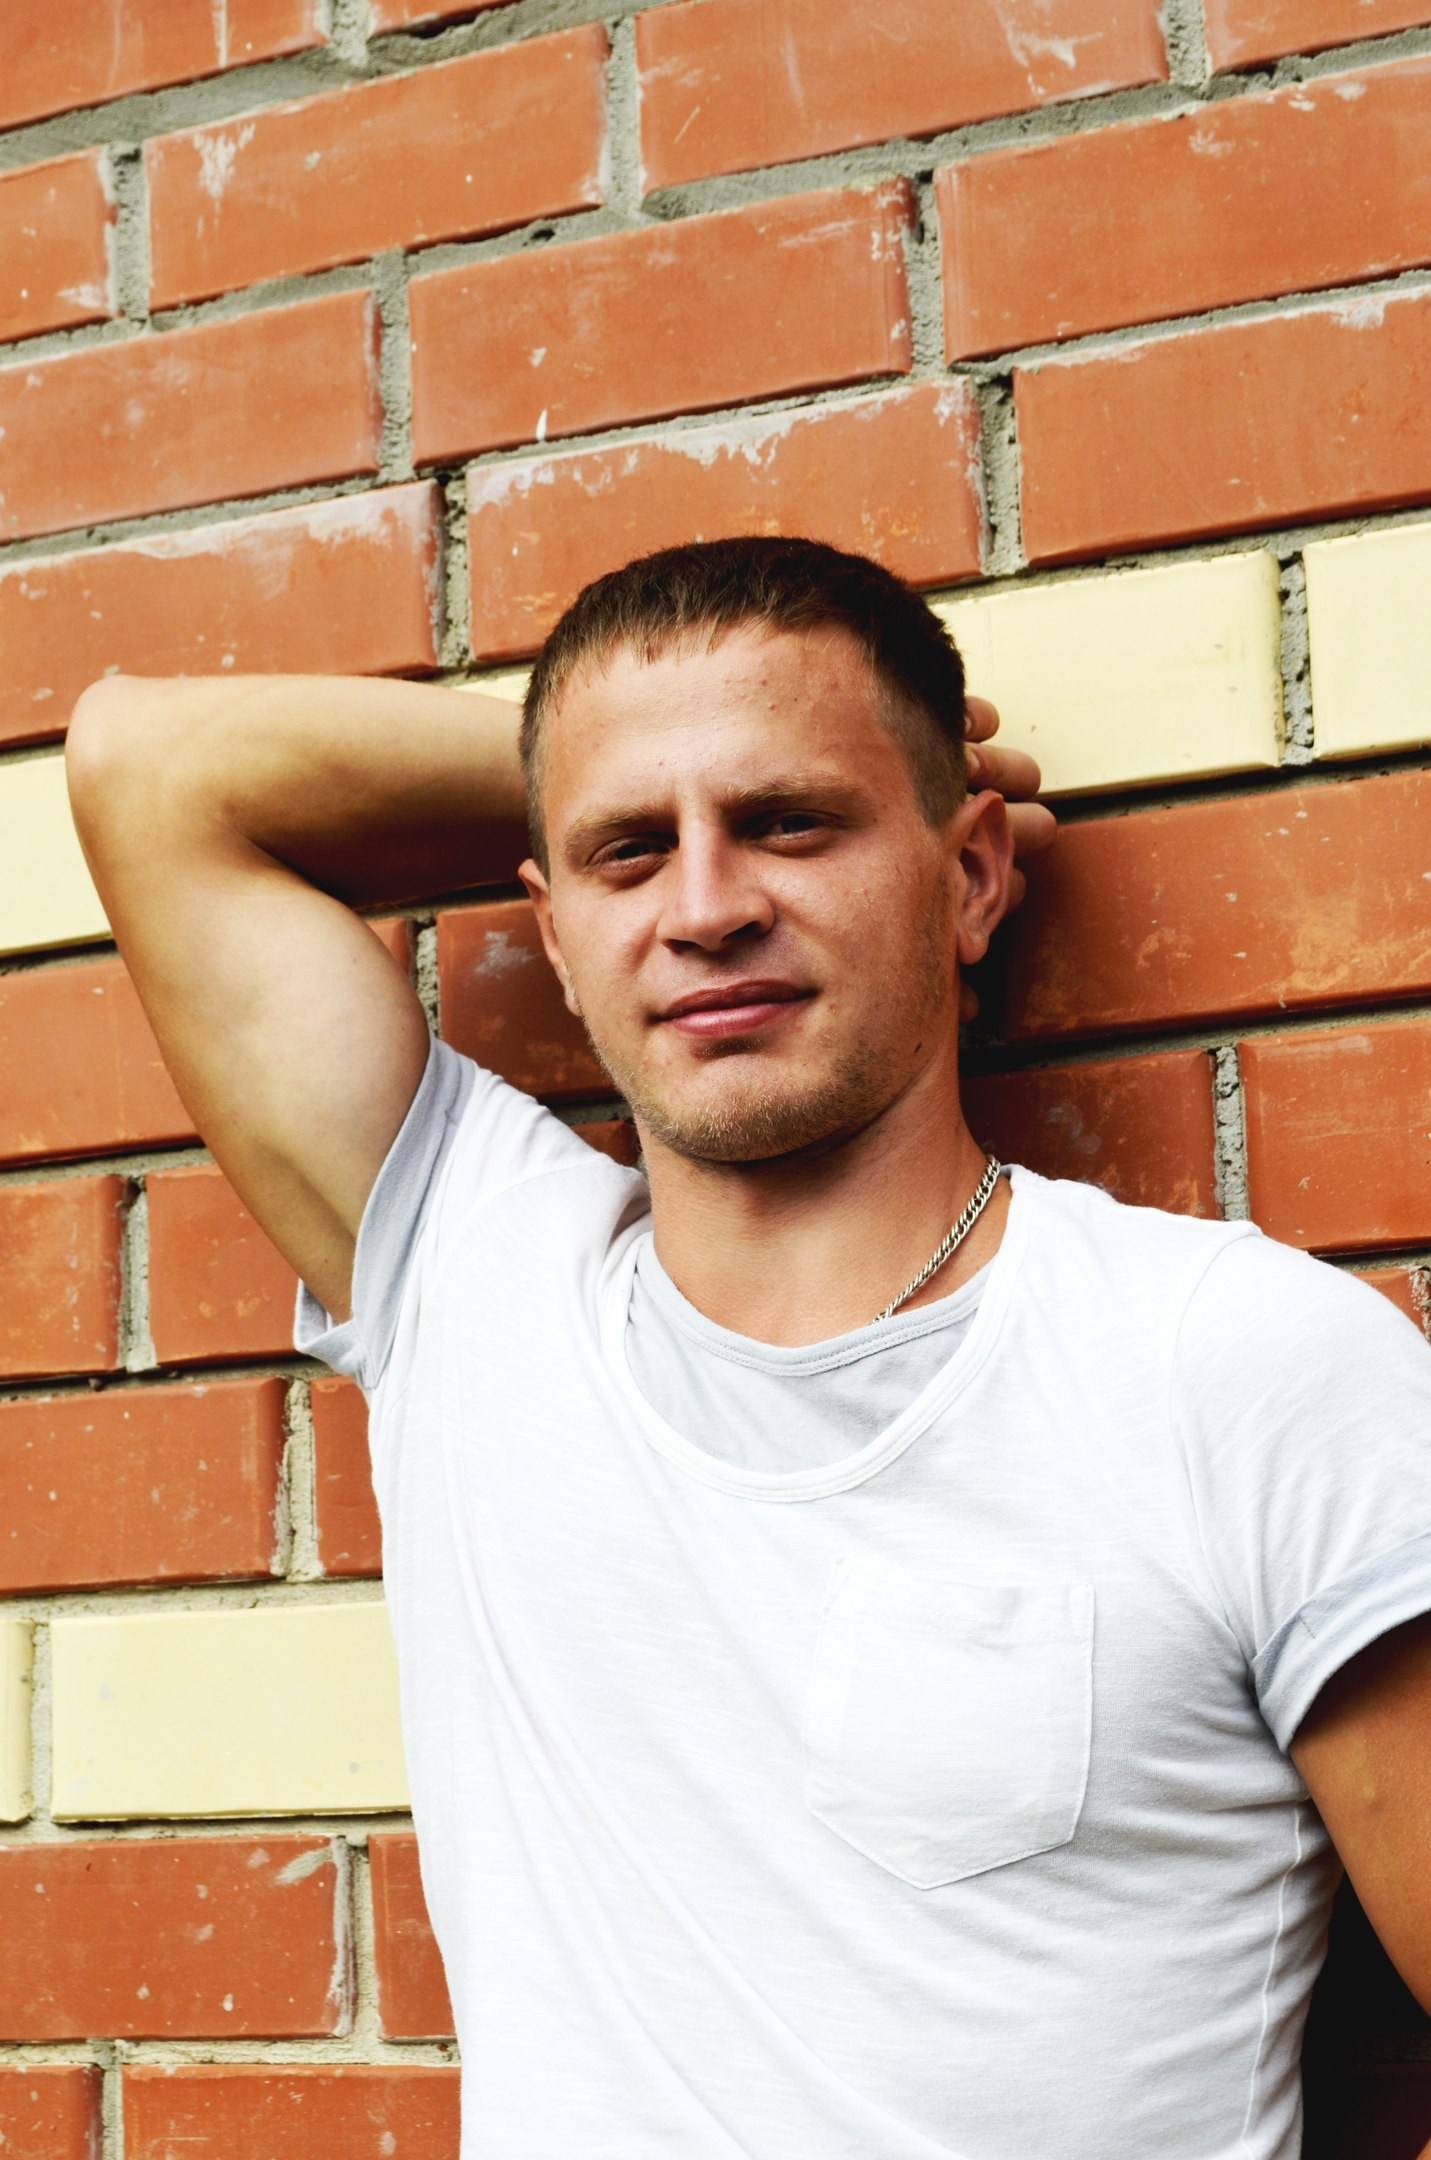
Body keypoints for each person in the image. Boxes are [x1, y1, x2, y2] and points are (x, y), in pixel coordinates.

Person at [66, 537, 1431, 2160]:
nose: (706, 909)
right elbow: (146, 767)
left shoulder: (1244, 1366)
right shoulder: (475, 1285)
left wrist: (789, 763)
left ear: (970, 877)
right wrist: (609, 758)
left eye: (792, 822)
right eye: (629, 853)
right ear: (553, 933)